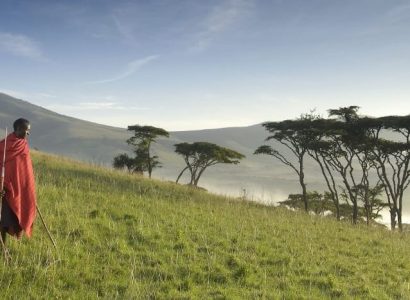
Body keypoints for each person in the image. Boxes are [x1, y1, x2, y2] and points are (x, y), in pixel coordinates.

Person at [0, 118, 36, 245]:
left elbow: (25, 170)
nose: (27, 134)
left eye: (28, 132)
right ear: (17, 129)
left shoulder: (24, 146)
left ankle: (3, 248)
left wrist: (27, 188)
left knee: (11, 220)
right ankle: (2, 247)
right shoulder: (3, 146)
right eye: (25, 131)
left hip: (19, 190)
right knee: (3, 221)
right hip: (4, 190)